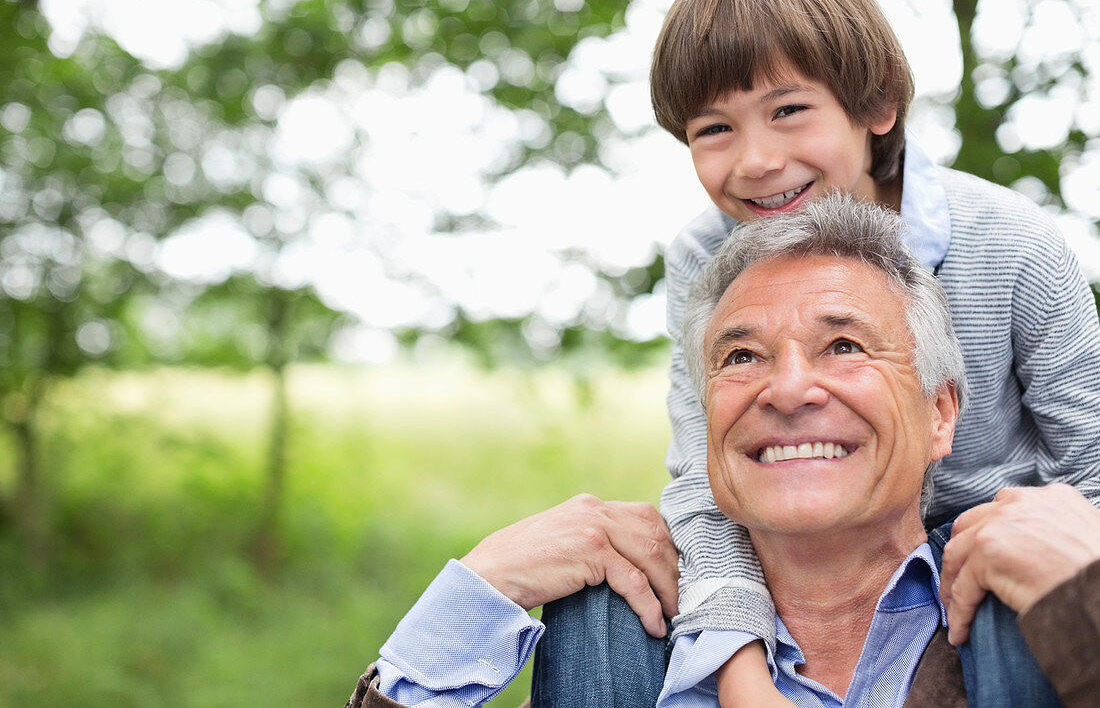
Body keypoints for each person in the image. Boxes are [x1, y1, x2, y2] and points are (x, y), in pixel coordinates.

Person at [345, 197, 1100, 708]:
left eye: (843, 344)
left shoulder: (1029, 614)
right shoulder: (619, 637)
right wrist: (481, 587)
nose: (789, 387)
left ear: (941, 413)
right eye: (741, 357)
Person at [644, 0, 1100, 702]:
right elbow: (704, 481)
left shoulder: (1011, 244)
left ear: (878, 106)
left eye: (788, 109)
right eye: (714, 129)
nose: (756, 158)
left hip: (982, 572)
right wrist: (738, 668)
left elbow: (1094, 465)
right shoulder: (706, 257)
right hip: (804, 569)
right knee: (617, 584)